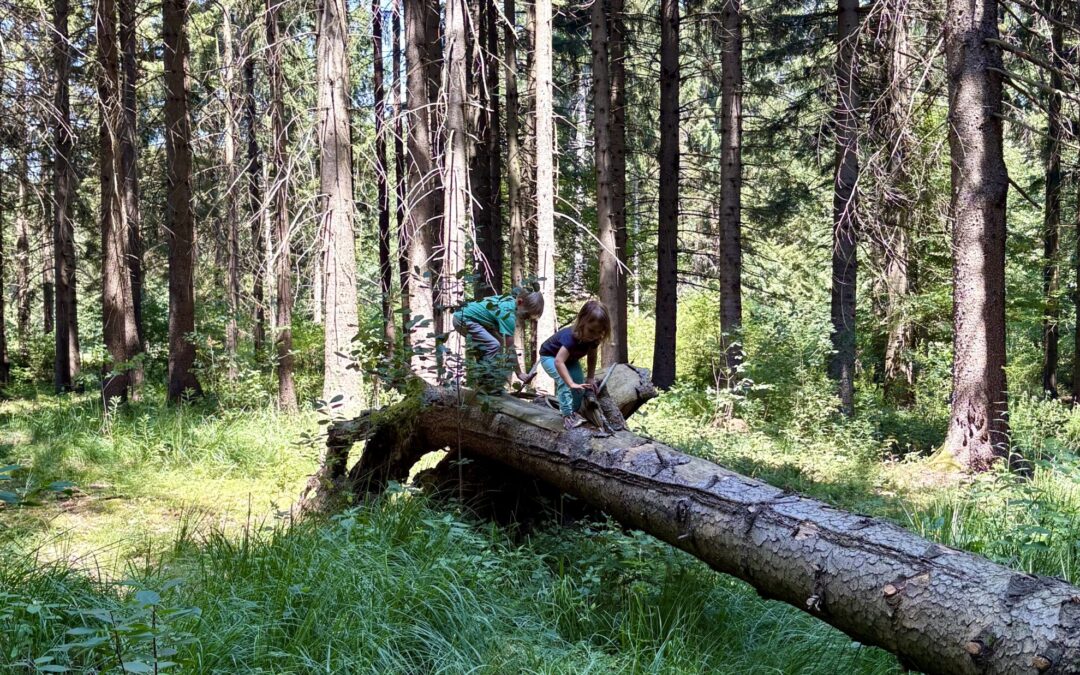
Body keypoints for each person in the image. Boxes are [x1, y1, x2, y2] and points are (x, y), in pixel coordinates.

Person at [539, 300, 611, 429]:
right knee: (564, 381)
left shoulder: (594, 339)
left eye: (599, 332)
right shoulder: (570, 337)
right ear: (583, 322)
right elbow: (558, 361)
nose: (594, 335)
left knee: (580, 385)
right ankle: (567, 415)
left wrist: (590, 377)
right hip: (550, 357)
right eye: (591, 330)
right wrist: (570, 383)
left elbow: (592, 356)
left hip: (570, 360)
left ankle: (575, 411)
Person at [452, 289, 544, 389]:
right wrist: (519, 373)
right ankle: (486, 383)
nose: (525, 319)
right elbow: (510, 349)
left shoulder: (509, 300)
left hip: (473, 320)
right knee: (493, 345)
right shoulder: (508, 315)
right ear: (520, 302)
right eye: (526, 315)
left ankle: (489, 381)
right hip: (463, 319)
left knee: (498, 345)